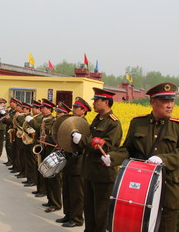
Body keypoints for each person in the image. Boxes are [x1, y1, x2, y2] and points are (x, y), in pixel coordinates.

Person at [109, 83, 179, 232]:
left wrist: (163, 160)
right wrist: (112, 158)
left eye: (172, 101)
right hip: (140, 189)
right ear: (153, 102)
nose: (170, 105)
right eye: (165, 101)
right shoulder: (138, 123)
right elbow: (128, 149)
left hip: (169, 189)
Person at [72, 87, 123, 232]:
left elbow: (105, 146)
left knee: (101, 213)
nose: (93, 103)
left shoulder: (113, 123)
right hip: (89, 171)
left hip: (103, 173)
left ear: (106, 102)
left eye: (96, 101)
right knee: (89, 209)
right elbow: (90, 139)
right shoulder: (97, 119)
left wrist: (82, 140)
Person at [57, 97, 91, 228]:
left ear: (83, 110)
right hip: (69, 159)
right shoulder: (72, 123)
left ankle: (76, 218)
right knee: (67, 189)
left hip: (79, 161)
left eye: (77, 107)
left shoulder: (84, 125)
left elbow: (85, 143)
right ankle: (68, 214)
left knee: (77, 192)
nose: (74, 109)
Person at [40, 99, 62, 213]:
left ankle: (56, 203)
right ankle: (50, 200)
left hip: (53, 151)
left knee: (54, 179)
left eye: (60, 113)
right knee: (48, 177)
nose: (58, 115)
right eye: (58, 112)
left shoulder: (55, 122)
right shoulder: (48, 121)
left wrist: (46, 139)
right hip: (46, 149)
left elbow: (56, 138)